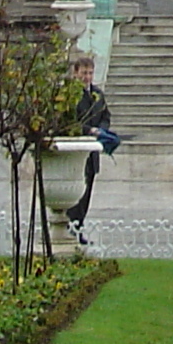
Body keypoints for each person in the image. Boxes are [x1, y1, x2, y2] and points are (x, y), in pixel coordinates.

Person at [64, 54, 114, 227]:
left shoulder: (97, 94)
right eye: (84, 73)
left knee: (87, 191)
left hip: (92, 151)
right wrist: (88, 130)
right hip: (75, 149)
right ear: (76, 73)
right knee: (74, 191)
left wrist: (102, 129)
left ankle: (79, 225)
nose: (87, 77)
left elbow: (106, 115)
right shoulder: (69, 95)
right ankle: (70, 224)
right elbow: (68, 121)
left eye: (90, 73)